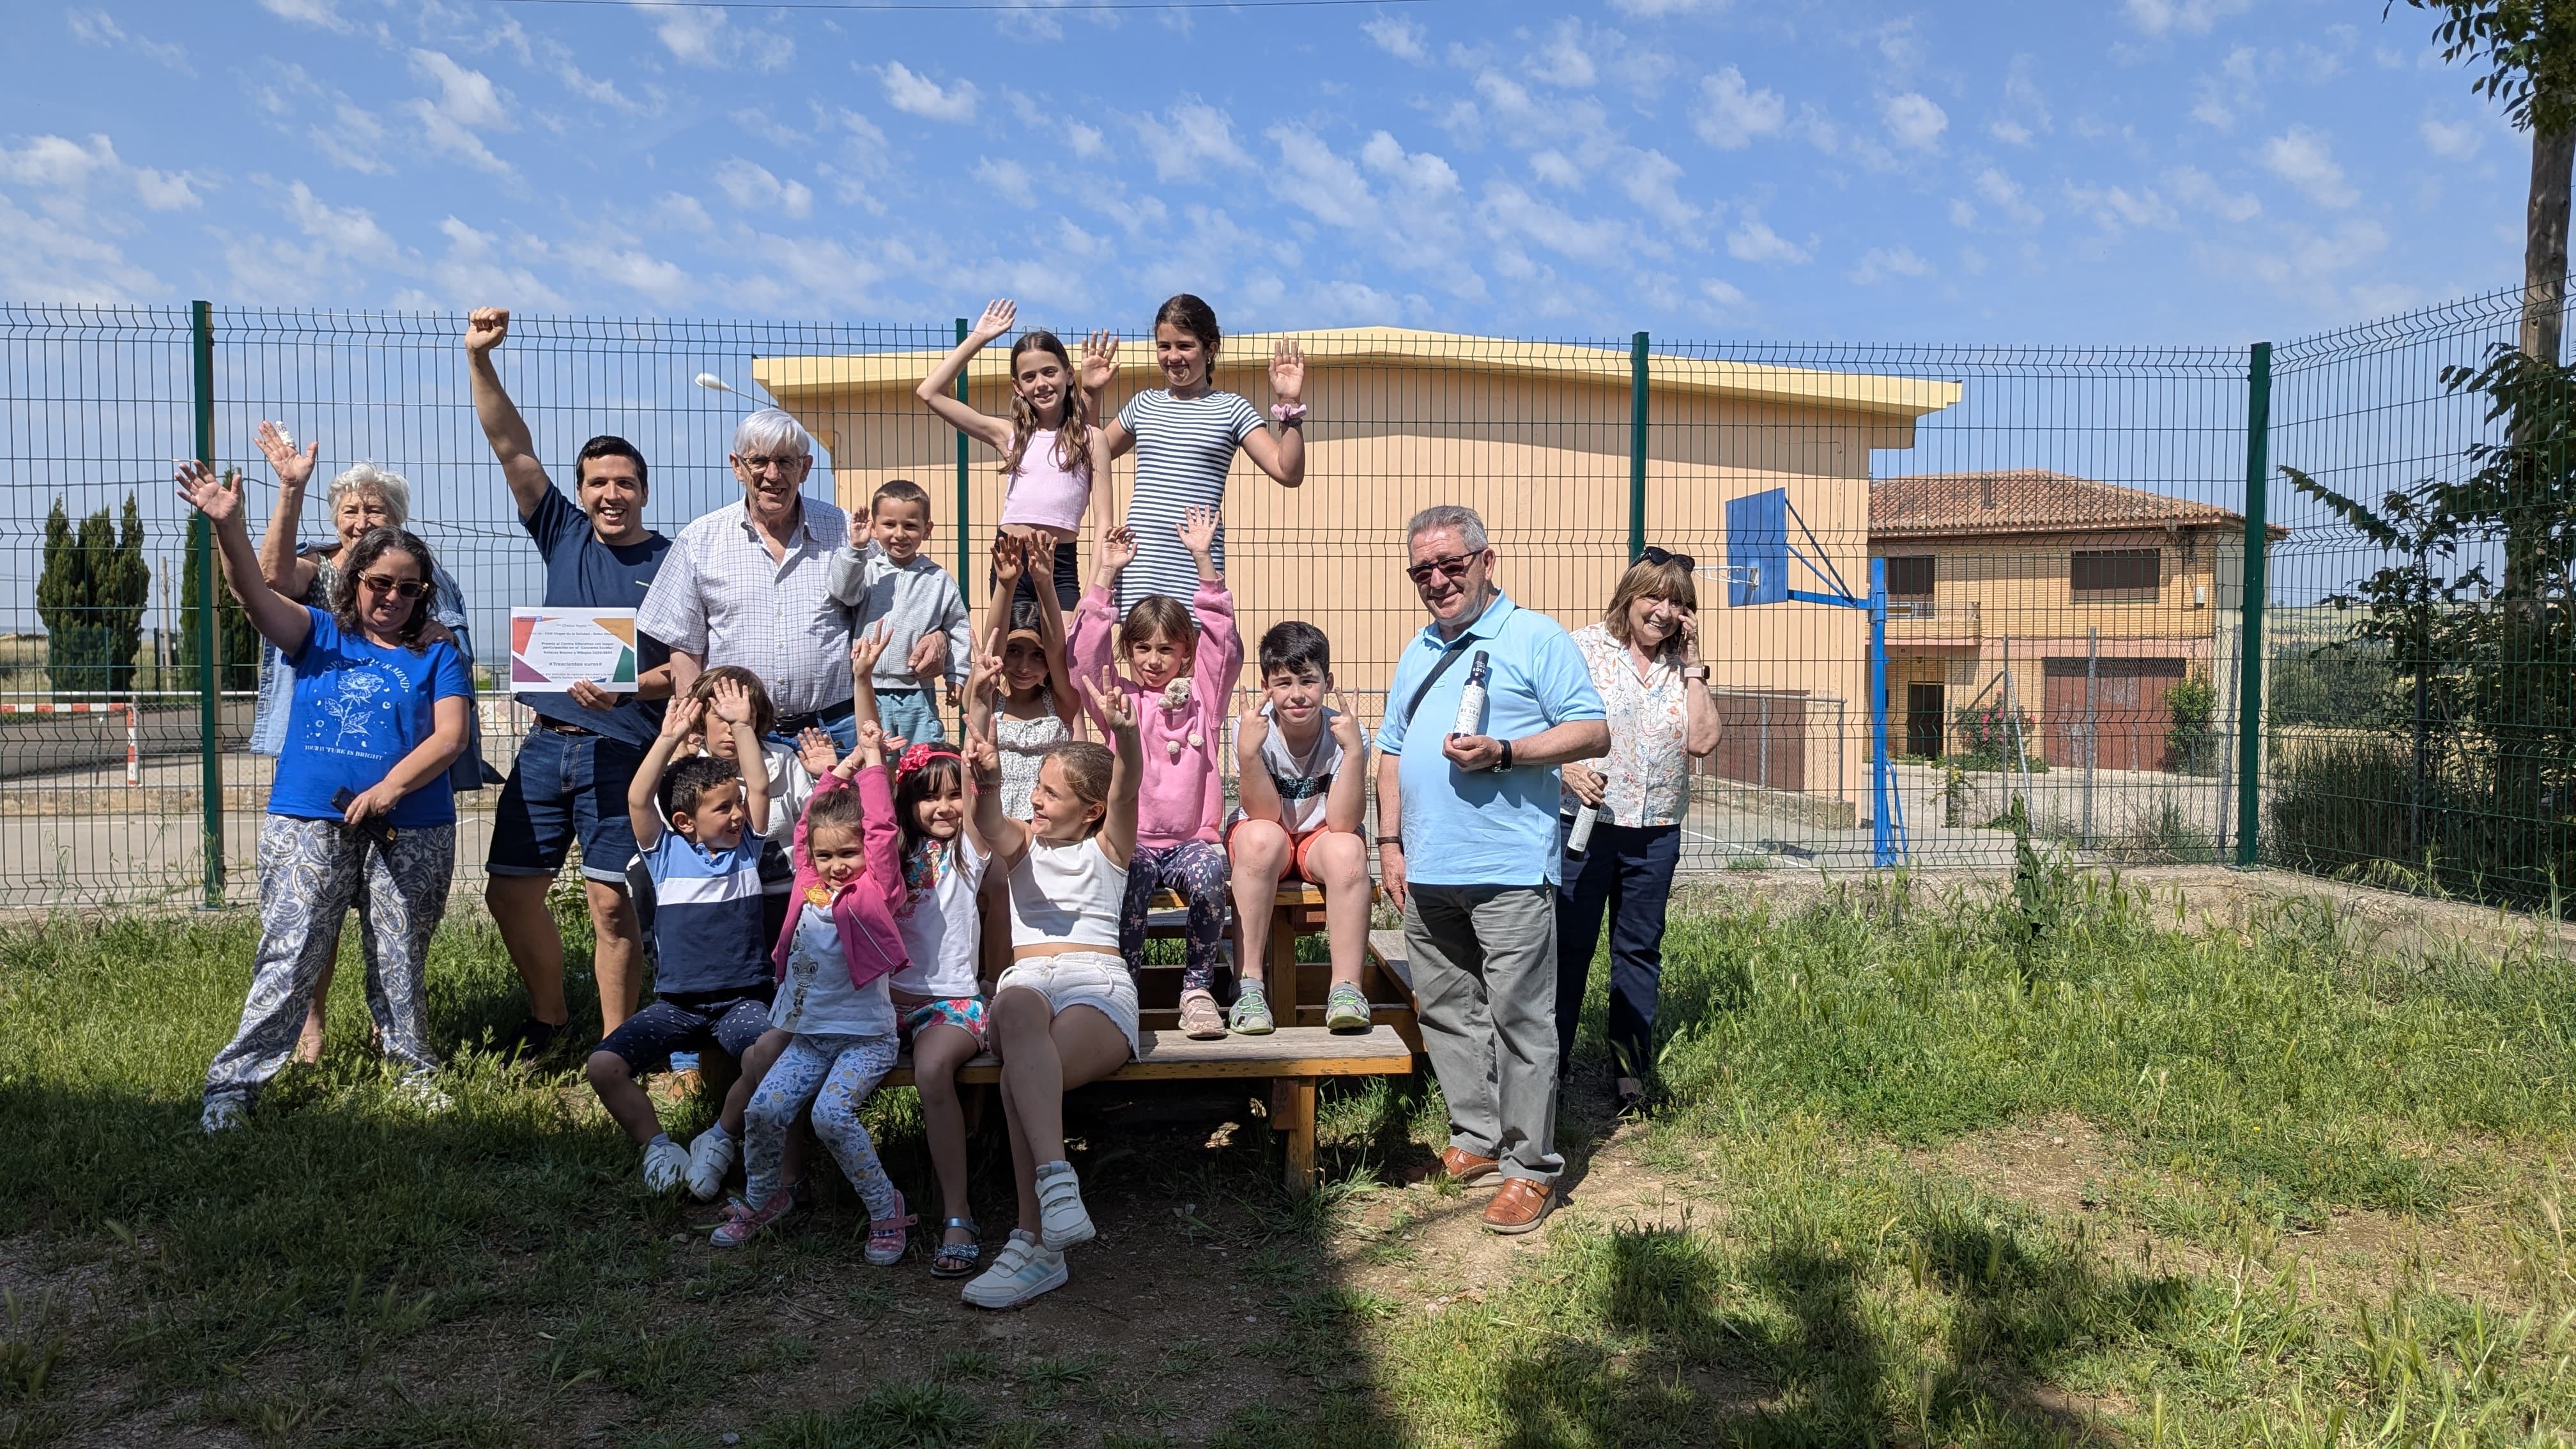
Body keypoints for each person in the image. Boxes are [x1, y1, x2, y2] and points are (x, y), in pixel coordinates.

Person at [179, 459, 471, 1131]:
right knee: (293, 951)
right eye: (378, 583)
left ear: (424, 594)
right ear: (353, 581)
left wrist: (389, 790)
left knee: (400, 956)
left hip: (415, 823)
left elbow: (450, 737)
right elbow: (252, 591)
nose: (392, 597)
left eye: (407, 588)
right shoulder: (315, 633)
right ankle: (234, 1086)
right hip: (312, 818)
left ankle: (412, 1070)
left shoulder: (437, 653)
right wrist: (228, 527)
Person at [1374, 505, 1608, 1235]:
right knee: (1447, 1009)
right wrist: (1389, 843)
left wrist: (1507, 752)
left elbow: (1593, 728)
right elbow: (1389, 750)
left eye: (1450, 565)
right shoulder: (1417, 648)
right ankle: (1477, 1139)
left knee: (1519, 1017)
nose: (1438, 581)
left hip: (1507, 865)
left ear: (1486, 560)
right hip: (1427, 866)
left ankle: (1529, 1168)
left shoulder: (1534, 636)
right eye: (1423, 571)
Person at [464, 305, 673, 1058]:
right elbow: (508, 445)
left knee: (612, 906)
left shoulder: (674, 562)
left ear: (643, 490)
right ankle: (550, 1021)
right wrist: (480, 359)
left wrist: (630, 691)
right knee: (509, 891)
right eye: (596, 482)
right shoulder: (561, 530)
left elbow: (689, 671)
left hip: (626, 754)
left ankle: (620, 1047)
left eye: (623, 482)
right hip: (546, 746)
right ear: (581, 491)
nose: (609, 495)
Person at [243, 427, 477, 1066]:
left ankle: (397, 1036)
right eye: (350, 509)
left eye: (374, 510)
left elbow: (445, 672)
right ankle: (307, 1025)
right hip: (319, 771)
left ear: (398, 526)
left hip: (404, 772)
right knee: (308, 922)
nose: (360, 519)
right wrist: (289, 490)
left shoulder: (426, 586)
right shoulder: (317, 574)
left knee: (398, 928)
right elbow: (266, 582)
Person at [956, 668, 1142, 1310]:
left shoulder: (1108, 849)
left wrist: (1127, 738)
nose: (1036, 799)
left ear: (1090, 810)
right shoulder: (1023, 848)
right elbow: (989, 821)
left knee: (1017, 1079)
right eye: (1036, 786)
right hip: (1029, 978)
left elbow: (1127, 793)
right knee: (1012, 1003)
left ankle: (1035, 1242)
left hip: (1097, 983)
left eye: (1052, 793)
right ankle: (1057, 1185)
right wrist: (983, 777)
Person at [714, 722, 915, 1256]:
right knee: (763, 1111)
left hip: (866, 1038)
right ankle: (766, 1199)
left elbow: (879, 831)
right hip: (810, 1037)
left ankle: (886, 1210)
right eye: (827, 857)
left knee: (831, 1116)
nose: (836, 865)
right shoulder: (810, 885)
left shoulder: (874, 891)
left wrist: (870, 764)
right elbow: (805, 831)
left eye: (846, 854)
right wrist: (835, 773)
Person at [586, 678, 772, 1193]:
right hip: (678, 1006)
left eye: (737, 805)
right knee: (603, 1066)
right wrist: (668, 738)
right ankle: (659, 1148)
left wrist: (740, 725)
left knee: (770, 1054)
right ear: (686, 822)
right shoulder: (665, 855)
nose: (737, 814)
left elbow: (759, 786)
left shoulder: (747, 849)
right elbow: (638, 797)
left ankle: (719, 1136)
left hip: (741, 1001)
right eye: (723, 808)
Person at [1556, 551, 1722, 1121]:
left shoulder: (1684, 669)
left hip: (1654, 834)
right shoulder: (1582, 649)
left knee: (1638, 951)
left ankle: (1629, 1070)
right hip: (1585, 827)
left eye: (1677, 603)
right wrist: (1563, 769)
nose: (1663, 611)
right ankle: (1551, 1064)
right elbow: (1535, 720)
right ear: (1629, 597)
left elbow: (1701, 742)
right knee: (1569, 947)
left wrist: (1695, 661)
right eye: (1654, 597)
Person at [1070, 510, 1241, 1040]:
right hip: (1134, 840)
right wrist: (1104, 575)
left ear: (1186, 653)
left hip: (1192, 839)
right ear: (1128, 651)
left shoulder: (1203, 699)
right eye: (1142, 648)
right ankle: (1122, 987)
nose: (1153, 659)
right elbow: (1082, 659)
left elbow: (1224, 644)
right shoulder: (1119, 700)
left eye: (1166, 648)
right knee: (1128, 883)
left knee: (1211, 878)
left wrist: (1203, 562)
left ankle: (1197, 989)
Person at [638, 408, 859, 749]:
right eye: (759, 461)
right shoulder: (700, 540)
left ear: (805, 468)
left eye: (786, 461)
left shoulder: (844, 531)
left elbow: (888, 605)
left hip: (834, 731)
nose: (773, 475)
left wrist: (936, 635)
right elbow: (685, 650)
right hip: (737, 732)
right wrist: (695, 728)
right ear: (737, 466)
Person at [884, 646, 999, 1278]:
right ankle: (798, 1186)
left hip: (953, 1004)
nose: (945, 806)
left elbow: (979, 772)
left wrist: (978, 696)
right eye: (930, 798)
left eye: (954, 796)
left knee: (932, 1072)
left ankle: (957, 1211)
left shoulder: (968, 854)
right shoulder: (893, 856)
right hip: (885, 1002)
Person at [1089, 294, 1307, 616]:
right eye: (1164, 346)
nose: (1173, 357)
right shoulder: (1144, 404)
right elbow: (1089, 453)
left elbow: (1288, 471)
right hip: (1139, 564)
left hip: (1196, 565)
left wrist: (1290, 404)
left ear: (1211, 348)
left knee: (1195, 663)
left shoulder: (1231, 409)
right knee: (1143, 661)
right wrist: (1090, 393)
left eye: (1185, 346)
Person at [914, 298, 1112, 611]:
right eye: (1029, 377)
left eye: (1050, 372)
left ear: (1069, 375)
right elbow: (930, 392)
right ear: (1018, 386)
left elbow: (1104, 522)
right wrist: (979, 337)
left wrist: (1092, 592)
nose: (1041, 384)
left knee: (1065, 657)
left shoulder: (1092, 439)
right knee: (1007, 657)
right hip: (1009, 560)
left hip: (1059, 564)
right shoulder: (1010, 435)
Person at [1226, 620, 1373, 1036]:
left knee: (1348, 851)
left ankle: (1346, 989)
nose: (1296, 695)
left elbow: (1345, 822)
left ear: (1327, 681)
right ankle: (1249, 986)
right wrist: (1250, 754)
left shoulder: (1346, 731)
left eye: (1308, 681)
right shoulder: (1252, 728)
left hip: (1319, 839)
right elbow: (1264, 814)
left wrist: (1355, 752)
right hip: (1267, 835)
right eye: (1283, 682)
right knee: (1260, 839)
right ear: (1265, 685)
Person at [970, 533, 1081, 988]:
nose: (1023, 665)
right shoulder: (986, 701)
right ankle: (996, 985)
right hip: (997, 826)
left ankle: (1054, 977)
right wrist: (1006, 585)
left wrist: (1046, 583)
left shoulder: (1061, 702)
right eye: (1015, 653)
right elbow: (989, 653)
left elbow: (1057, 649)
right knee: (999, 882)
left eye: (1035, 656)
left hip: (1049, 826)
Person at [825, 480, 972, 747]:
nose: (900, 534)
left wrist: (957, 675)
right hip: (867, 691)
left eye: (911, 526)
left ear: (927, 530)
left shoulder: (938, 579)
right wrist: (856, 549)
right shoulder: (868, 571)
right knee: (874, 762)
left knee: (920, 764)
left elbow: (958, 627)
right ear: (874, 526)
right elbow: (843, 592)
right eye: (890, 524)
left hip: (917, 694)